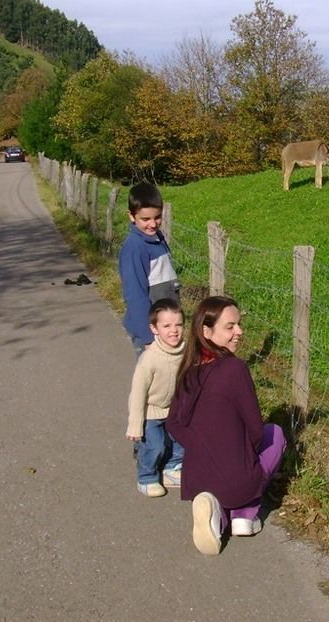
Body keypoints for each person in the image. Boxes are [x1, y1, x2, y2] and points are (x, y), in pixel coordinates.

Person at [166, 296, 287, 555]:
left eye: (239, 324)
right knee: (275, 434)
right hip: (236, 478)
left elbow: (173, 423)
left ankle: (217, 516)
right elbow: (255, 429)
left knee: (224, 483)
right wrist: (240, 453)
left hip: (197, 478)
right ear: (206, 332)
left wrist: (202, 446)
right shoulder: (235, 369)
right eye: (230, 326)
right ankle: (245, 513)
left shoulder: (187, 371)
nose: (240, 332)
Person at [126, 298, 187, 496]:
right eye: (166, 325)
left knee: (179, 441)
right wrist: (135, 423)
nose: (174, 330)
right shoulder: (149, 358)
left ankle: (172, 468)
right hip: (150, 410)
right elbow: (137, 393)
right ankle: (146, 477)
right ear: (154, 329)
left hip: (174, 408)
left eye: (178, 324)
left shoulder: (185, 351)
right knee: (155, 445)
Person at [118, 182, 181, 355]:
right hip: (152, 332)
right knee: (153, 379)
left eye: (157, 217)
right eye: (145, 219)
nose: (153, 224)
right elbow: (135, 295)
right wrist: (148, 338)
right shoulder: (135, 248)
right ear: (131, 216)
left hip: (166, 327)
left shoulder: (156, 238)